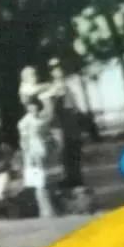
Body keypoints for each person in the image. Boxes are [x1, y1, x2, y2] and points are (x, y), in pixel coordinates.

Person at [46, 58, 84, 187]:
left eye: (59, 69)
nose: (58, 71)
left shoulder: (68, 84)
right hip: (62, 121)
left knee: (73, 149)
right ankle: (71, 178)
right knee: (65, 152)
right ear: (51, 73)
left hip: (71, 119)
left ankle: (76, 178)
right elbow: (51, 106)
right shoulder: (54, 87)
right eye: (54, 70)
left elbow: (75, 104)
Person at [18, 97, 57, 218]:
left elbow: (48, 135)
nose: (34, 110)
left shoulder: (42, 120)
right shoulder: (24, 122)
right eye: (31, 108)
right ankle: (45, 210)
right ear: (28, 108)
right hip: (32, 152)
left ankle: (48, 208)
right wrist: (29, 156)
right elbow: (24, 141)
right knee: (40, 181)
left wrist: (51, 144)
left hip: (43, 150)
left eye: (35, 108)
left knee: (46, 181)